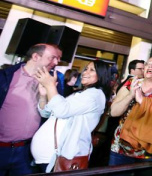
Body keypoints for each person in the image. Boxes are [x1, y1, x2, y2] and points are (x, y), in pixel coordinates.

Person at [30, 59, 110, 172]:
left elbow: (61, 110)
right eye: (86, 69)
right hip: (48, 158)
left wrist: (50, 86)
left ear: (101, 76)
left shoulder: (95, 95)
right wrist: (43, 95)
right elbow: (46, 113)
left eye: (92, 70)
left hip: (60, 158)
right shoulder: (79, 94)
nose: (85, 72)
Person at [0, 43, 63, 175]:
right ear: (35, 56)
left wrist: (50, 91)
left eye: (58, 58)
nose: (56, 62)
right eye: (52, 58)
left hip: (27, 151)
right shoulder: (6, 77)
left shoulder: (53, 82)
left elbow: (53, 115)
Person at [108, 56, 152, 176]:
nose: (150, 66)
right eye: (148, 63)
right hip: (121, 146)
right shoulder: (131, 83)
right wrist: (130, 95)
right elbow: (114, 112)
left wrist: (142, 101)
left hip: (149, 149)